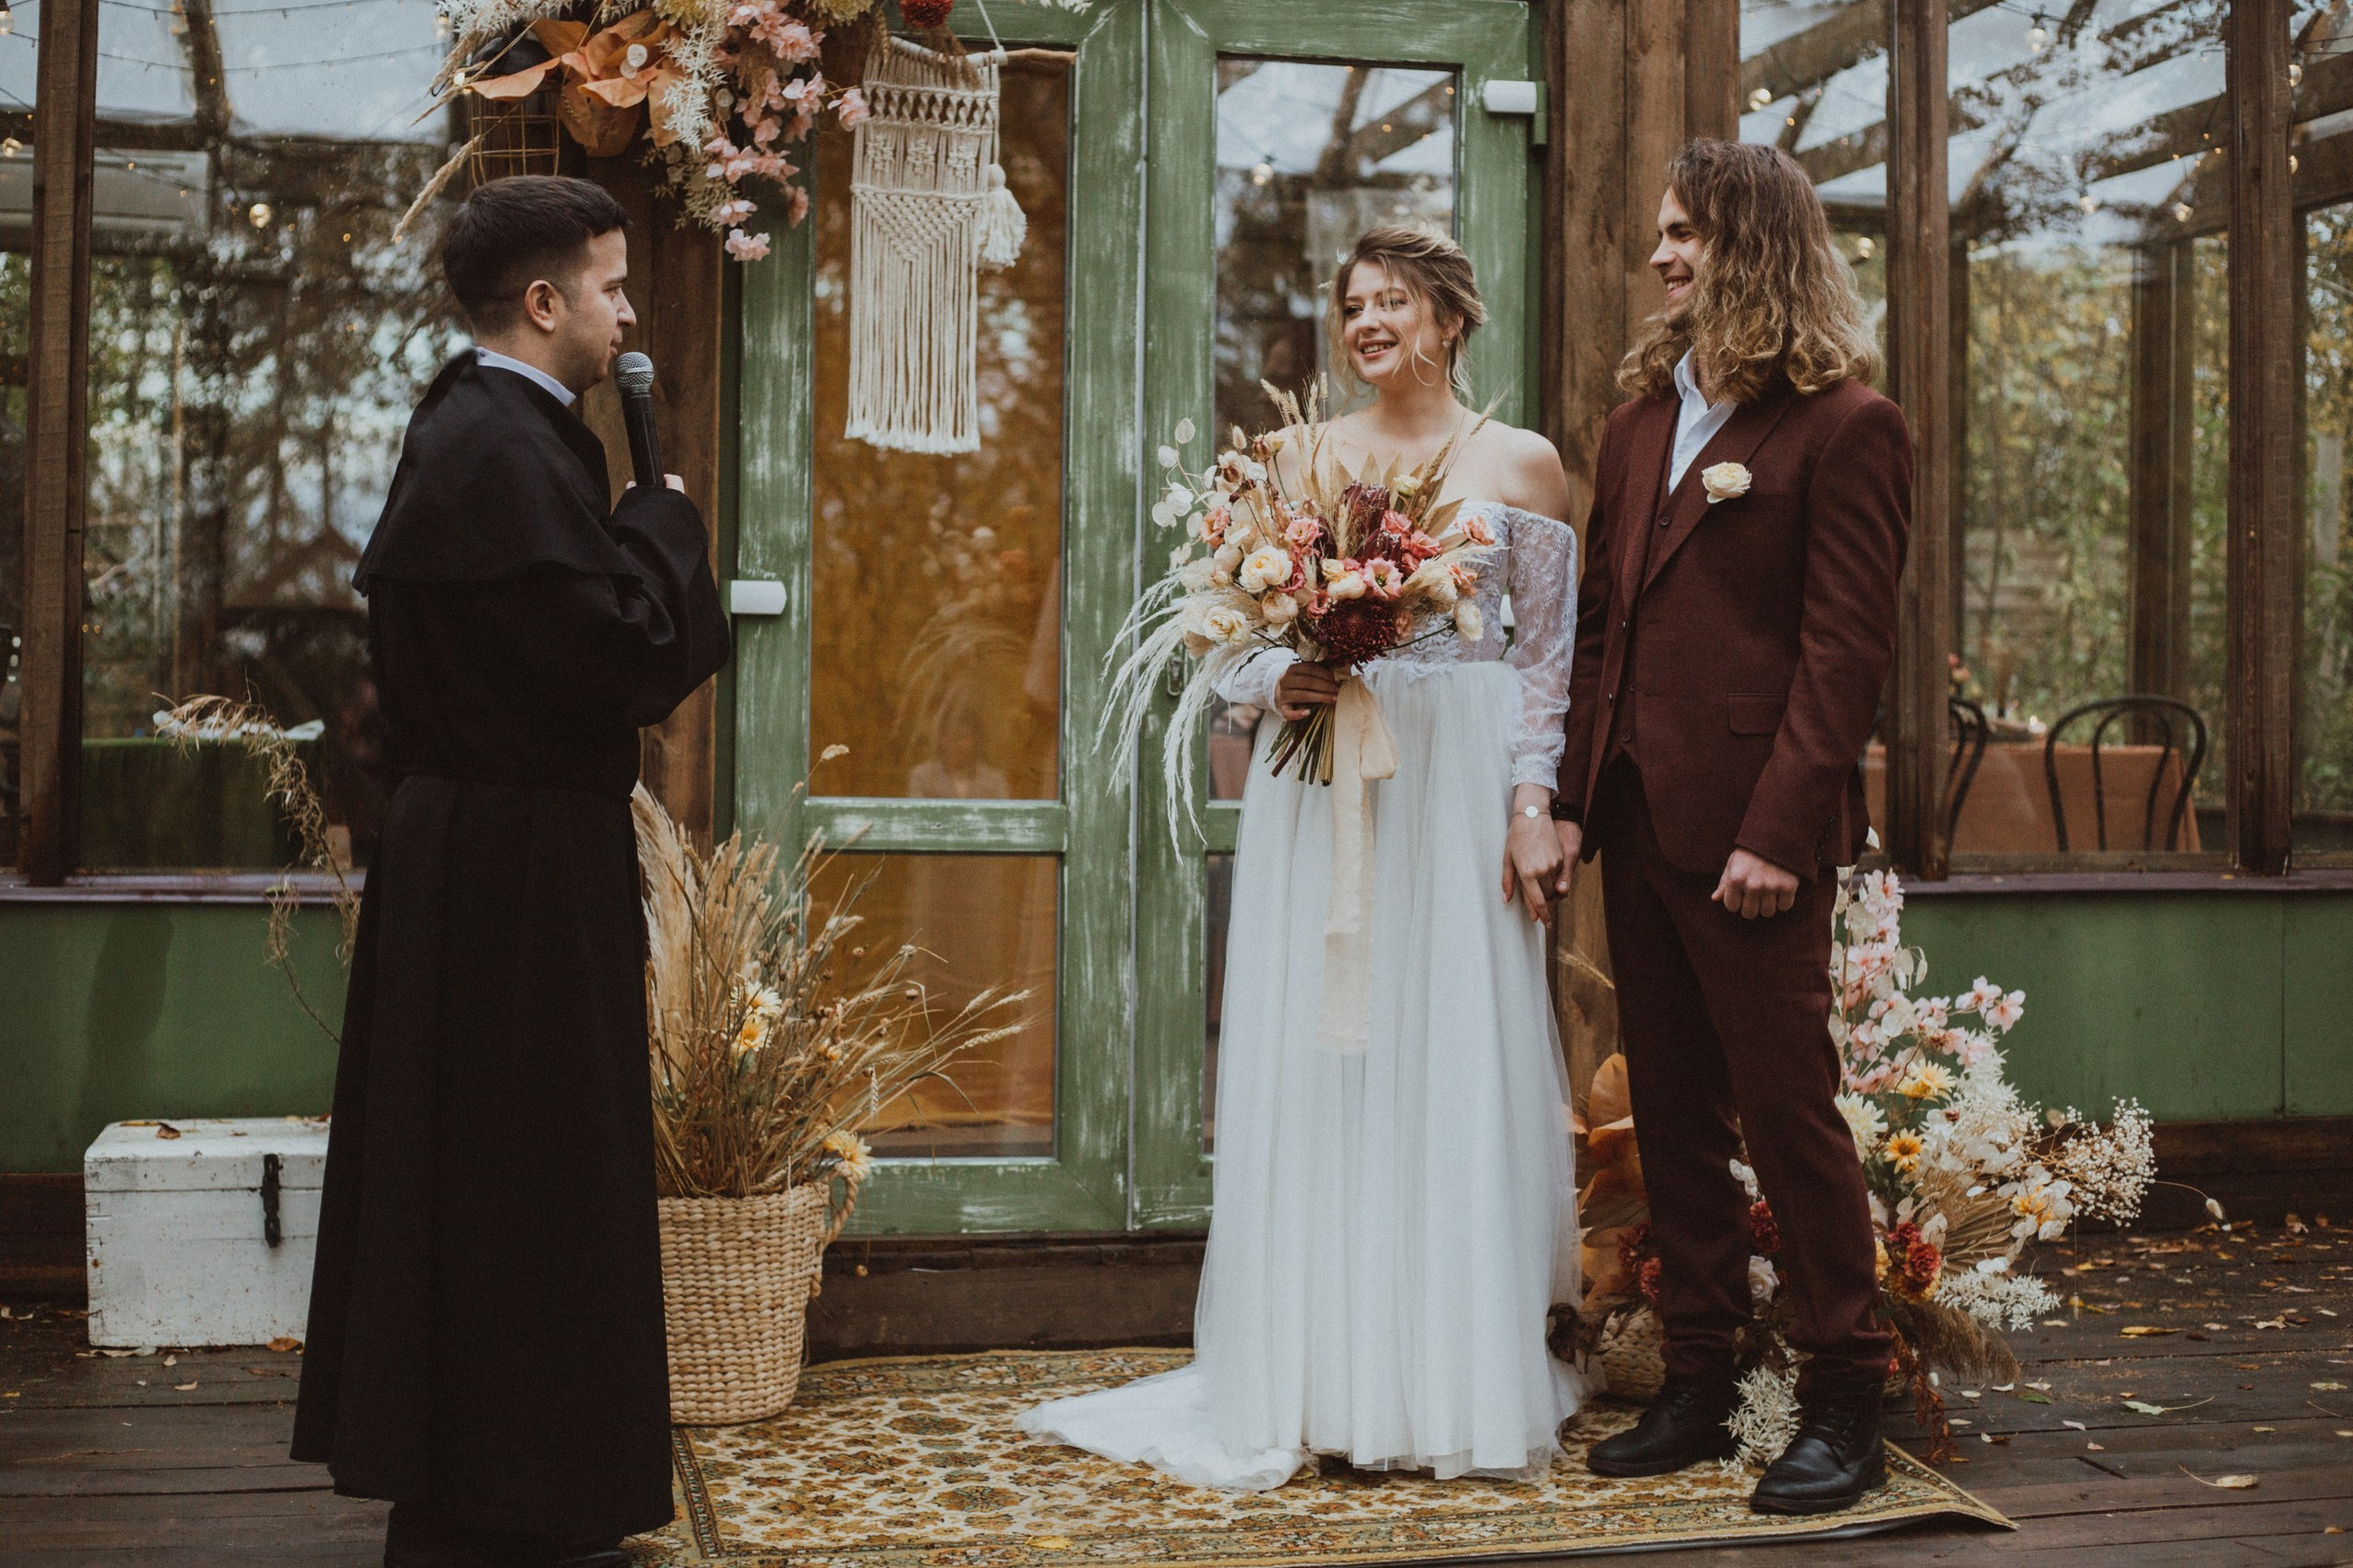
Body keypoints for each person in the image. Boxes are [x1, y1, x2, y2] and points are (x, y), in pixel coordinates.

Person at [1019, 226, 1587, 1489]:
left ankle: (1444, 1371)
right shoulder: (1291, 457)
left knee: (1446, 1050)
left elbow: (1547, 657)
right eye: (1351, 304)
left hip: (1457, 784)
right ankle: (1316, 1369)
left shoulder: (1524, 465)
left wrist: (1531, 801)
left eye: (1394, 301)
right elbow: (1217, 637)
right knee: (1326, 1058)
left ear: (1450, 318)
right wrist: (1286, 669)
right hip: (1325, 776)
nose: (1368, 320)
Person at [290, 176, 730, 1567]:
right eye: (612, 285)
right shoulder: (506, 444)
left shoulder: (483, 429)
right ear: (544, 304)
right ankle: (511, 1491)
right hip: (515, 873)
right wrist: (664, 521)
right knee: (521, 1173)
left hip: (483, 859)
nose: (628, 313)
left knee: (489, 1171)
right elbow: (612, 659)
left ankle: (495, 1478)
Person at [1551, 141, 1908, 1515]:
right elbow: (1600, 627)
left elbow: (1844, 653)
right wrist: (1576, 804)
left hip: (1755, 840)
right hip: (1638, 823)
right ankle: (1697, 1381)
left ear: (1754, 243)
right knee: (1675, 1117)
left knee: (1790, 1110)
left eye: (1688, 231)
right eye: (1659, 231)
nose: (1663, 255)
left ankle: (1843, 1396)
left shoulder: (1845, 424)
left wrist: (1778, 829)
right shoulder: (1642, 422)